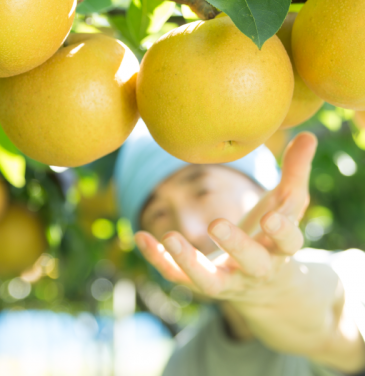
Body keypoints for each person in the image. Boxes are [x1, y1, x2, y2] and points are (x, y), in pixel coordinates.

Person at [113, 124, 365, 376]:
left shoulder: (352, 275)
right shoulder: (185, 362)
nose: (189, 230)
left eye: (203, 190)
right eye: (158, 214)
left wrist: (328, 335)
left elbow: (344, 321)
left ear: (263, 189)